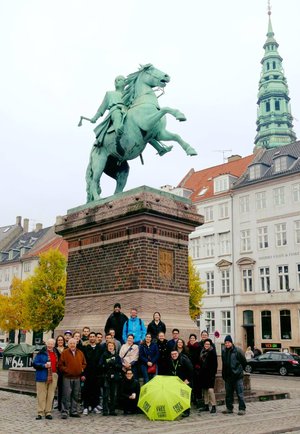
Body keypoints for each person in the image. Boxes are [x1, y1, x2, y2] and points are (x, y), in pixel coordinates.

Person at [90, 76, 126, 152]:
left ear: (125, 83)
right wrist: (95, 118)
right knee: (117, 116)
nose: (116, 81)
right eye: (115, 80)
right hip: (115, 110)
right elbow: (101, 108)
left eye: (119, 80)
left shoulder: (128, 94)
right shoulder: (110, 94)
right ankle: (118, 141)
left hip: (127, 111)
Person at [58, 338, 87, 419]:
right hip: (67, 377)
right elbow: (60, 365)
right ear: (68, 344)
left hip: (77, 377)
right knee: (66, 395)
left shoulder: (80, 353)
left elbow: (84, 363)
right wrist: (67, 370)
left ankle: (73, 411)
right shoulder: (64, 352)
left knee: (75, 395)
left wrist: (81, 368)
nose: (72, 345)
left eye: (74, 343)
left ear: (76, 344)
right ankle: (64, 412)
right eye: (71, 343)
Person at [33, 338, 59, 420]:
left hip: (53, 375)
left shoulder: (56, 353)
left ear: (54, 345)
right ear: (46, 344)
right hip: (42, 375)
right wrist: (44, 365)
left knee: (51, 394)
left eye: (52, 344)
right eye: (49, 343)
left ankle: (48, 412)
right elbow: (34, 364)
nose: (50, 345)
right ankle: (40, 412)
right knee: (41, 394)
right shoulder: (41, 353)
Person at [222, 335, 247, 416]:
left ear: (231, 343)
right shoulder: (224, 351)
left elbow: (244, 362)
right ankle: (229, 408)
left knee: (240, 394)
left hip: (237, 376)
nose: (227, 344)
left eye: (228, 342)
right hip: (228, 377)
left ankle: (242, 409)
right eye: (226, 343)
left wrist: (239, 371)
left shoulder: (237, 351)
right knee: (228, 394)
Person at [82, 332, 103, 416]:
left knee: (96, 390)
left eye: (93, 336)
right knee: (86, 390)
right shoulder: (85, 348)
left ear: (96, 338)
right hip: (88, 372)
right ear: (89, 338)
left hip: (97, 373)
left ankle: (94, 405)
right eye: (90, 337)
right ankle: (86, 406)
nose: (92, 338)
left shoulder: (100, 348)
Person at [168, 349, 193, 417]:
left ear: (178, 354)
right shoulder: (171, 361)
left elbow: (191, 369)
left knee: (185, 397)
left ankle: (187, 411)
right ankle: (181, 410)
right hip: (177, 382)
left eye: (175, 354)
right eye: (172, 354)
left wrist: (188, 379)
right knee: (179, 396)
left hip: (185, 381)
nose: (174, 355)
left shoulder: (184, 360)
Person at [100, 341, 122, 416]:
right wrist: (107, 364)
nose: (110, 347)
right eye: (109, 346)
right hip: (106, 376)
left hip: (115, 377)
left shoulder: (117, 355)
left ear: (114, 347)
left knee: (113, 394)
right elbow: (100, 365)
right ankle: (105, 410)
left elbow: (120, 366)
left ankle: (112, 410)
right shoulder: (104, 355)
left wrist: (115, 364)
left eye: (112, 346)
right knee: (105, 395)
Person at [198, 339, 218, 414]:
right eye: (205, 344)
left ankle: (213, 405)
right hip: (203, 374)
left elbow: (215, 365)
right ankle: (206, 405)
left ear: (210, 345)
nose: (206, 345)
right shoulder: (202, 352)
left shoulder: (212, 352)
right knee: (205, 390)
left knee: (210, 390)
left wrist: (213, 374)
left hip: (210, 375)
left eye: (208, 344)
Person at [187, 334, 201, 406]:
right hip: (189, 369)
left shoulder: (198, 347)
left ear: (195, 339)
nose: (192, 339)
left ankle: (197, 400)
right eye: (191, 338)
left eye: (193, 338)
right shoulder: (187, 347)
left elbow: (200, 357)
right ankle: (191, 399)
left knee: (196, 385)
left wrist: (198, 365)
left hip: (196, 369)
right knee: (190, 384)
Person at [54, 335, 66, 411]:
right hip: (57, 371)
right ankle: (58, 405)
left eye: (61, 340)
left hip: (64, 371)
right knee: (58, 389)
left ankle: (63, 405)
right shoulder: (54, 349)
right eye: (59, 340)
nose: (60, 341)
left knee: (64, 389)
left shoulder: (66, 349)